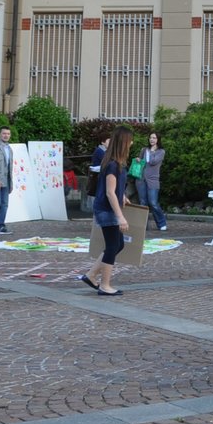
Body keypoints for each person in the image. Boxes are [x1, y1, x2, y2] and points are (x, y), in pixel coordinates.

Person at [78, 126, 132, 297]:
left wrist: (122, 195)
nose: (131, 144)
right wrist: (120, 216)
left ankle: (91, 275)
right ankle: (105, 285)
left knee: (117, 244)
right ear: (123, 142)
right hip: (106, 209)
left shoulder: (117, 163)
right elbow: (109, 192)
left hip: (107, 208)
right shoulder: (112, 164)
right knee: (113, 246)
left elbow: (115, 189)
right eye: (129, 141)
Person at [136, 131, 167, 232]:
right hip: (141, 179)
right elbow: (140, 161)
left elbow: (153, 162)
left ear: (158, 140)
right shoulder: (144, 150)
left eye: (154, 138)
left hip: (153, 180)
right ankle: (143, 225)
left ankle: (161, 223)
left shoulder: (161, 152)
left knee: (153, 202)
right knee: (143, 202)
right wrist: (138, 160)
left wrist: (153, 151)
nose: (152, 140)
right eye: (150, 138)